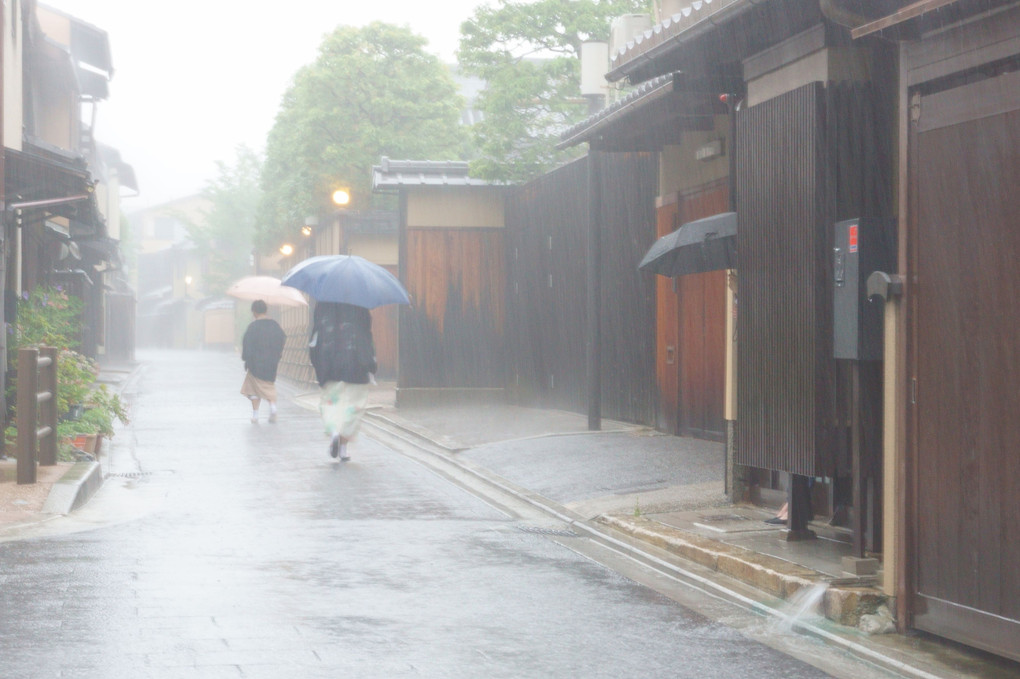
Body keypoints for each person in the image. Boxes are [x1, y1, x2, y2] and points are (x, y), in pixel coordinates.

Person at [308, 301, 377, 461]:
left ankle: (334, 433)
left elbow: (315, 336)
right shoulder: (360, 306)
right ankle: (344, 448)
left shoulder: (322, 306)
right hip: (356, 362)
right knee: (354, 406)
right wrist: (371, 364)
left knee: (331, 402)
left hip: (329, 362)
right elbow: (366, 335)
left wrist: (317, 363)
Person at [240, 299, 286, 423]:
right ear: (266, 310)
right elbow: (282, 339)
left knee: (252, 389)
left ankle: (255, 415)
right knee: (269, 386)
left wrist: (246, 359)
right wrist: (277, 355)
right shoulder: (275, 326)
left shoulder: (253, 327)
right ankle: (273, 407)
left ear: (254, 312)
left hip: (255, 364)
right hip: (271, 363)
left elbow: (247, 345)